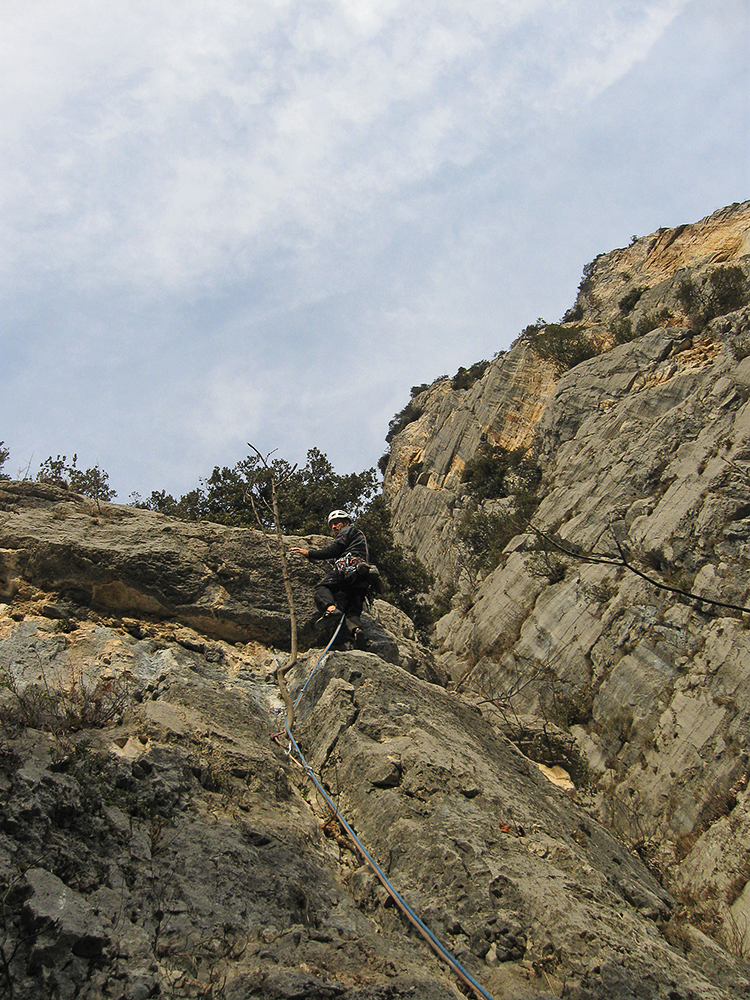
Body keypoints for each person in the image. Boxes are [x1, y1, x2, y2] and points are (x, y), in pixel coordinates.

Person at [291, 509, 372, 645]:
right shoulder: (359, 540)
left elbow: (335, 550)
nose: (334, 527)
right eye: (332, 525)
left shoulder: (347, 531)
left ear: (346, 522)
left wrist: (310, 553)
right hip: (362, 579)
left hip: (349, 567)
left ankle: (331, 609)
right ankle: (357, 632)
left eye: (336, 523)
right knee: (352, 611)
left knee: (322, 587)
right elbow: (335, 556)